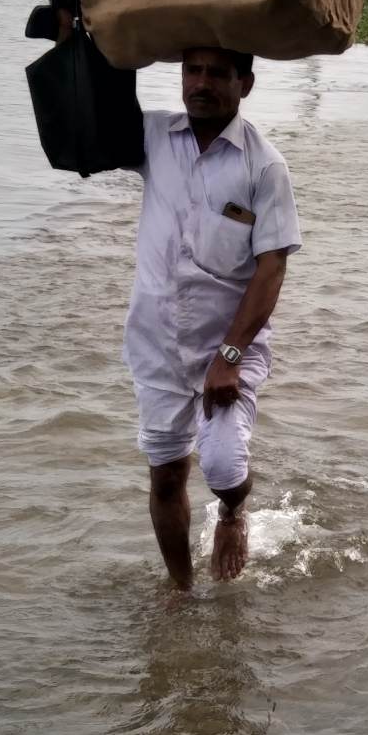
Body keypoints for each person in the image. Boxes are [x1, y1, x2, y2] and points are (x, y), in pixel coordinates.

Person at [125, 48, 301, 590]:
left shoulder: (263, 165)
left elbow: (272, 267)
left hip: (226, 348)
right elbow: (83, 131)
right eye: (191, 70)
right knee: (167, 473)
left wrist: (229, 355)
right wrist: (72, 40)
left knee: (222, 467)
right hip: (155, 343)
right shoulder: (153, 137)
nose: (200, 83)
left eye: (217, 74)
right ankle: (180, 591)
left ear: (244, 84)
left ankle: (231, 513)